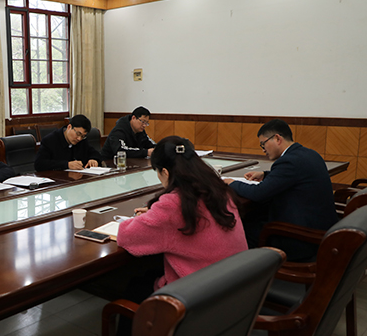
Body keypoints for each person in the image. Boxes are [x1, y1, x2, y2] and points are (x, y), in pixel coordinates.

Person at [117, 136, 247, 296]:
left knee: (133, 285)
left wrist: (147, 217)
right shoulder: (220, 191)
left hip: (197, 297)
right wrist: (155, 214)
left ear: (165, 172)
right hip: (235, 288)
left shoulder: (174, 204)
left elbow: (126, 236)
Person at [225, 119, 338, 262]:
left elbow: (258, 193)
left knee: (241, 228)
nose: (263, 150)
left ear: (277, 138)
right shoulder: (308, 154)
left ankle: (246, 270)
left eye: (263, 144)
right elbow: (292, 176)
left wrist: (232, 183)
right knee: (255, 216)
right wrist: (265, 175)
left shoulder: (288, 161)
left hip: (301, 239)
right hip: (319, 228)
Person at [34, 115, 103, 171]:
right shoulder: (50, 140)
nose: (79, 138)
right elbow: (39, 164)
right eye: (78, 134)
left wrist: (93, 159)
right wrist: (67, 165)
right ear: (69, 127)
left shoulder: (82, 141)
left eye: (83, 136)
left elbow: (95, 153)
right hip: (57, 180)